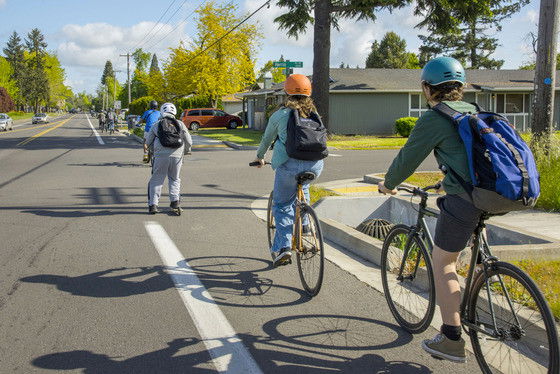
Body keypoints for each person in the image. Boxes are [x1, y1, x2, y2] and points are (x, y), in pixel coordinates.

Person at [378, 57, 481, 363]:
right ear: (459, 87)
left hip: (465, 199)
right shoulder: (474, 112)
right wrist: (446, 179)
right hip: (495, 194)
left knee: (443, 263)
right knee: (469, 253)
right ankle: (481, 284)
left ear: (427, 88)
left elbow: (408, 158)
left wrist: (389, 183)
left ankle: (451, 339)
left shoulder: (436, 117)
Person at [253, 74, 324, 267]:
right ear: (309, 93)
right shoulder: (314, 114)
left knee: (283, 204)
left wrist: (260, 157)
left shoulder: (280, 115)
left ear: (286, 92)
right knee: (304, 186)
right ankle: (305, 224)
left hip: (289, 165)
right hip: (315, 165)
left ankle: (284, 248)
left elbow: (267, 140)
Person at [145, 102, 192, 214]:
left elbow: (148, 142)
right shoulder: (180, 124)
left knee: (157, 179)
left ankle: (153, 205)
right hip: (177, 156)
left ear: (162, 112)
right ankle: (175, 202)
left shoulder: (156, 124)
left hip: (160, 156)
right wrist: (185, 152)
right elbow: (189, 141)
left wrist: (153, 151)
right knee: (174, 178)